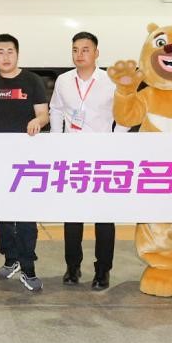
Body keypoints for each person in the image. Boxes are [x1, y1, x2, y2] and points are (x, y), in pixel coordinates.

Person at [47, 31, 122, 289]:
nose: (79, 54)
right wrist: (57, 139)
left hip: (103, 157)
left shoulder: (111, 81)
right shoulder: (63, 80)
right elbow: (56, 109)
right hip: (72, 156)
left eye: (85, 49)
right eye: (75, 50)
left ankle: (103, 270)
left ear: (97, 53)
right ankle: (73, 266)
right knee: (72, 216)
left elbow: (124, 115)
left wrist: (115, 141)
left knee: (104, 217)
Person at [0, 34, 48, 293]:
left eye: (10, 51)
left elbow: (43, 114)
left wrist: (37, 121)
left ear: (17, 54)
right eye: (0, 52)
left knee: (25, 215)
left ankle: (28, 266)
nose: (5, 56)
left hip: (25, 161)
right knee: (3, 214)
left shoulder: (32, 80)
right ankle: (11, 259)